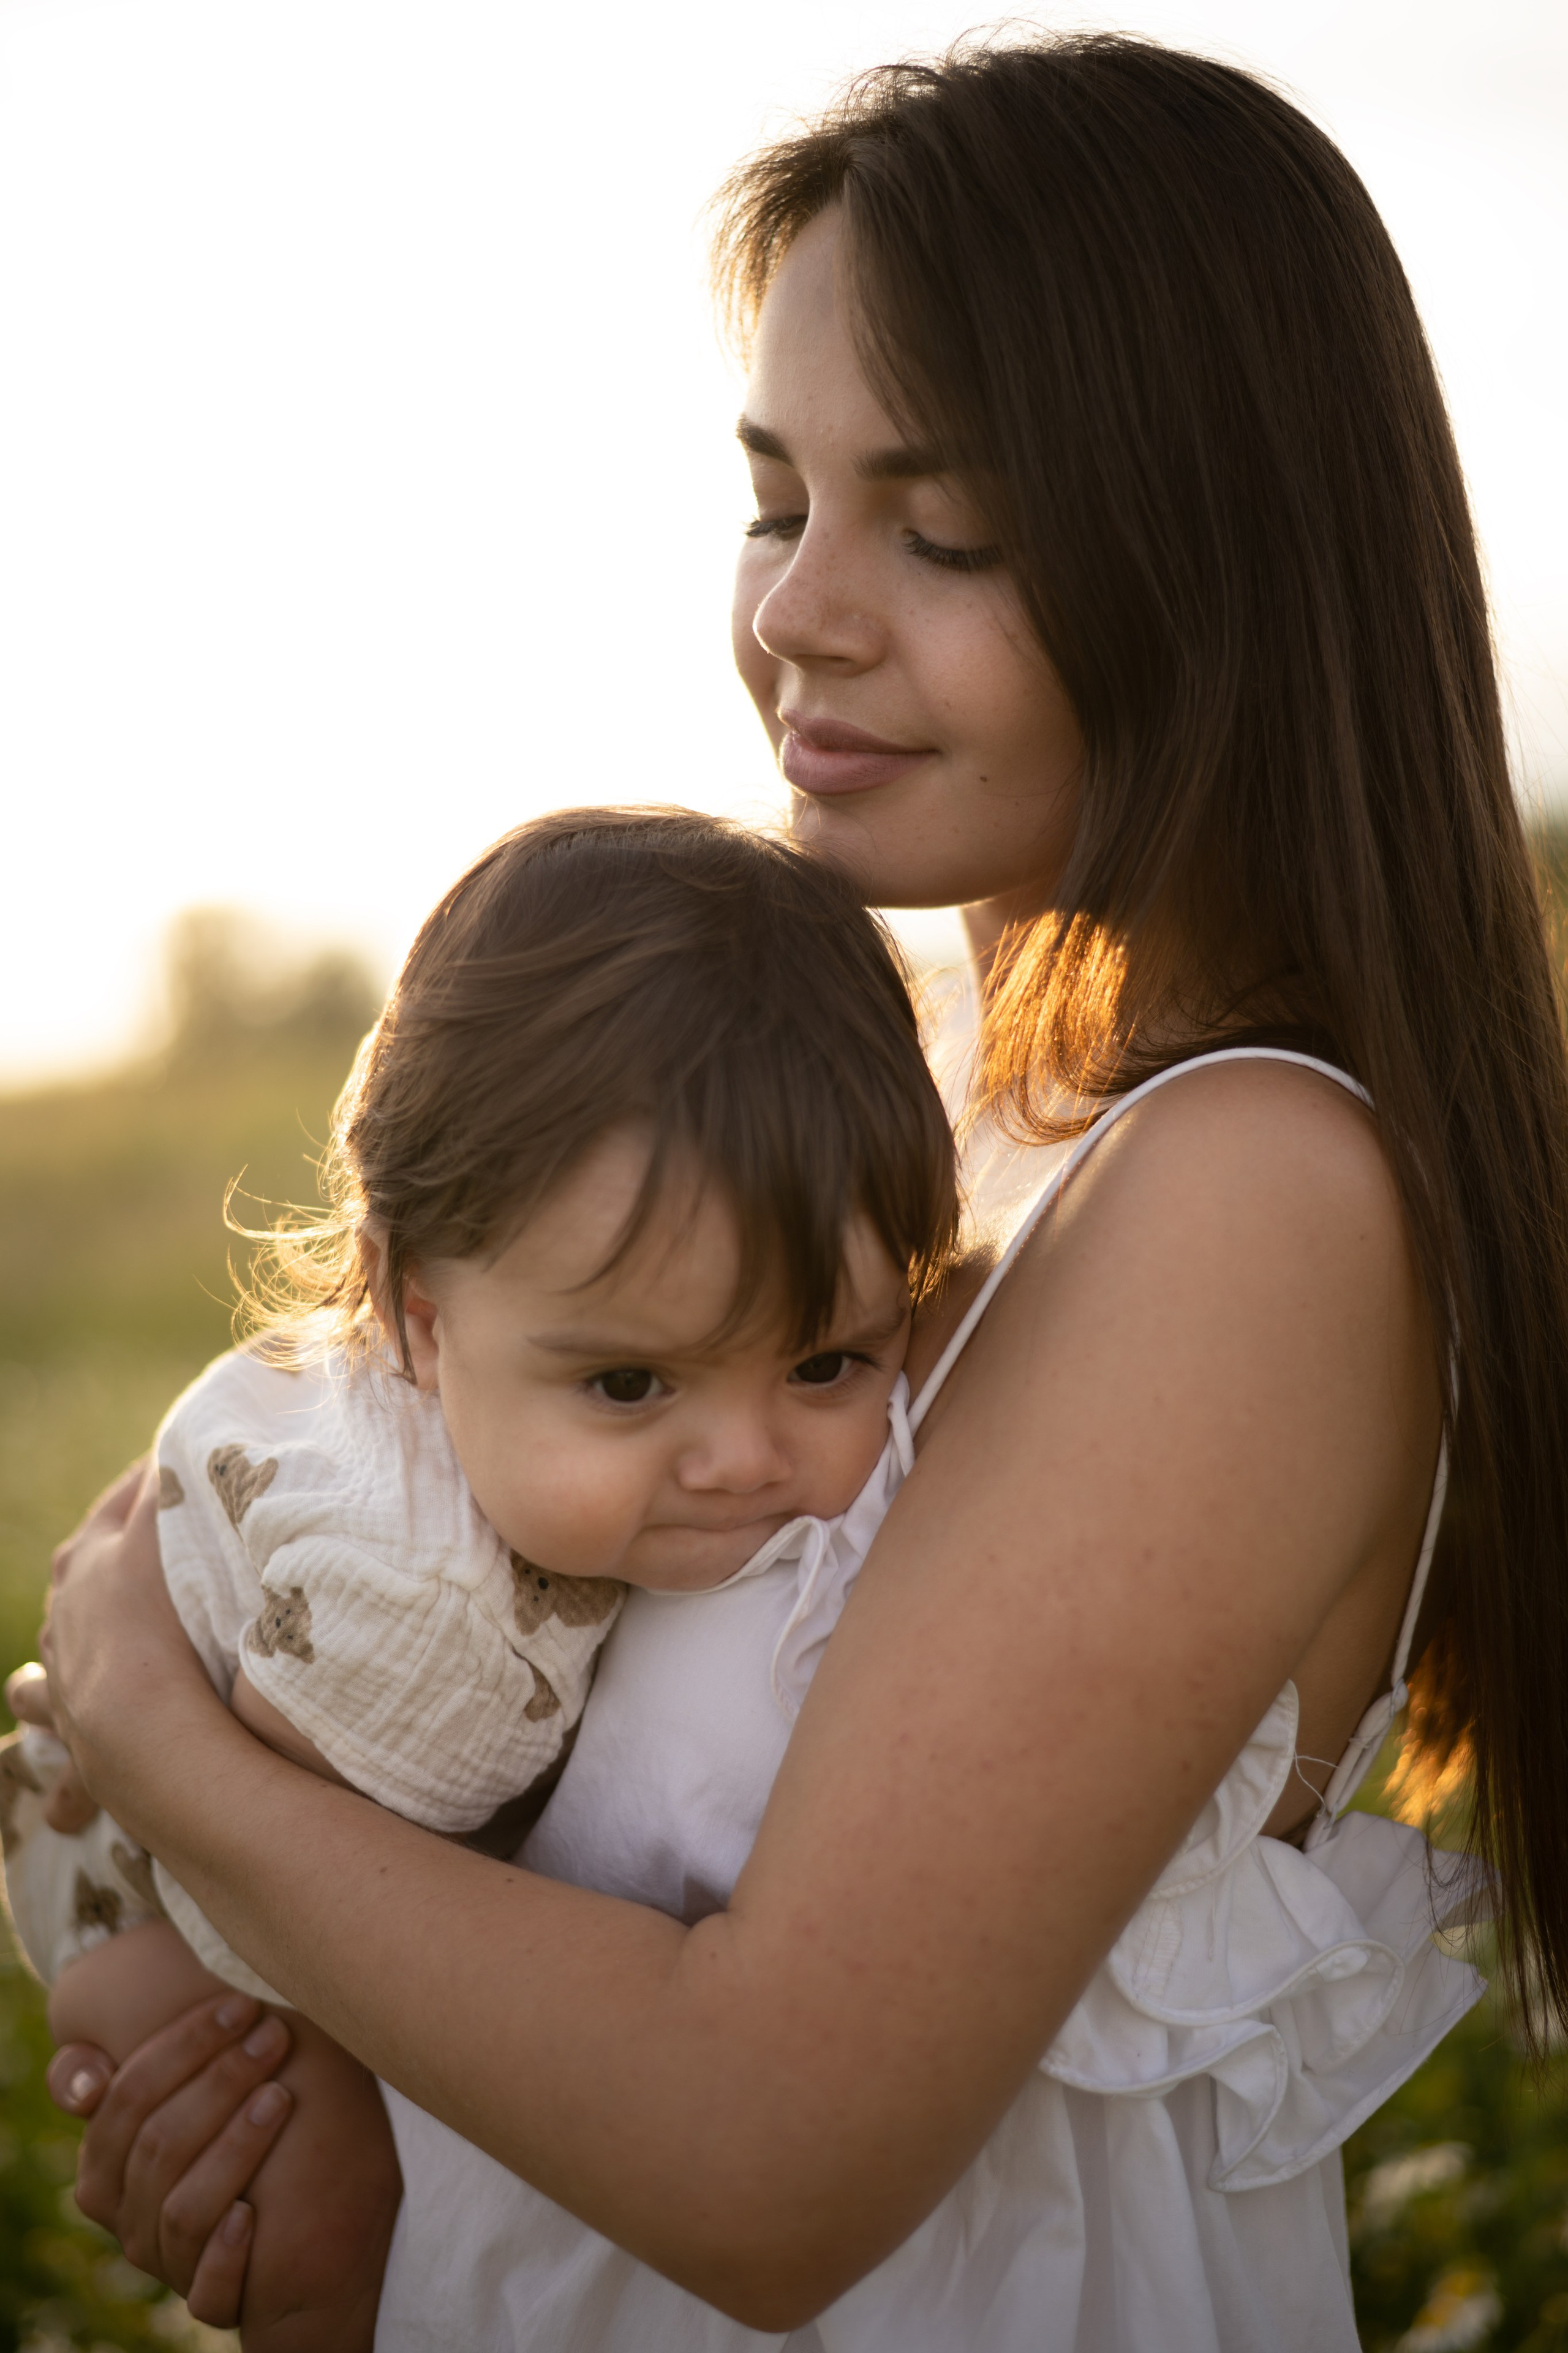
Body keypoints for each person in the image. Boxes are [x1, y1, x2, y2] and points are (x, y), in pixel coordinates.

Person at [20, 31, 1568, 2351]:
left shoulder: (1256, 1185)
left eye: (940, 533)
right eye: (778, 501)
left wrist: (172, 1759)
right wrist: (309, 2145)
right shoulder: (896, 1122)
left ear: (1218, 564)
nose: (801, 614)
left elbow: (770, 2162)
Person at [2, 805, 963, 2348]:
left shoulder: (530, 1341)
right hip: (136, 1863)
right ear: (420, 1317)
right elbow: (285, 1894)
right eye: (633, 1387)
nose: (741, 1459)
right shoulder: (435, 1613)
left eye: (824, 1359)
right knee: (300, 2207)